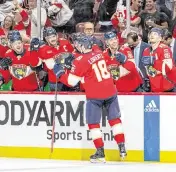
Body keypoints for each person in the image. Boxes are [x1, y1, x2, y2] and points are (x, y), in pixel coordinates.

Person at [52, 34, 127, 163]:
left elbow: (71, 82)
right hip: (111, 91)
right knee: (115, 120)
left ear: (82, 46)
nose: (75, 46)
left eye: (77, 44)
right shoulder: (98, 52)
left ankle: (100, 152)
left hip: (95, 95)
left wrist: (60, 73)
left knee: (93, 124)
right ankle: (122, 148)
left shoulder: (80, 61)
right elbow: (89, 64)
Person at [38, 27, 74, 91]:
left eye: (53, 36)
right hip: (55, 81)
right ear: (46, 39)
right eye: (49, 37)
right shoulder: (43, 49)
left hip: (69, 78)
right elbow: (47, 65)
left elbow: (73, 55)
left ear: (57, 36)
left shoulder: (65, 42)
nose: (52, 39)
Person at [142, 28, 176, 92]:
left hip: (167, 87)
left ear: (160, 38)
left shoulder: (165, 48)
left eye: (155, 34)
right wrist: (153, 71)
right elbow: (148, 70)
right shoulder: (146, 50)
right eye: (151, 34)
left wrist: (154, 62)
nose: (152, 35)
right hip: (154, 87)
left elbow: (168, 67)